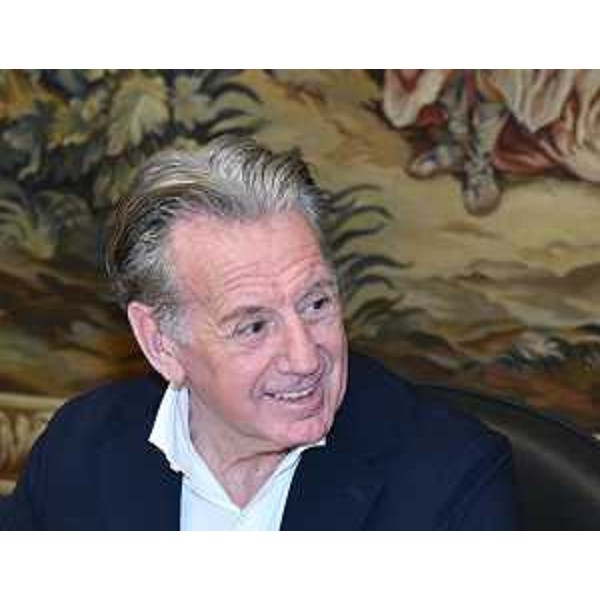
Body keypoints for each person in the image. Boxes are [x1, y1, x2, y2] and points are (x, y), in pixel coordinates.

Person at [0, 135, 517, 530]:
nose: (305, 359)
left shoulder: (449, 477)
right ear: (161, 342)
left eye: (316, 304)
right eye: (253, 326)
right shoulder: (80, 448)